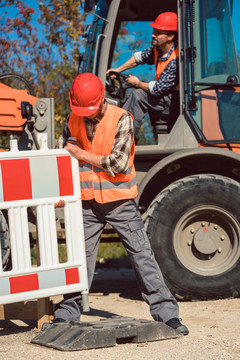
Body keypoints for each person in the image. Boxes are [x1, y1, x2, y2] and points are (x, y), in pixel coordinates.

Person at [53, 72, 188, 336]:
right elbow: (64, 155)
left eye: (89, 110)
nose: (85, 115)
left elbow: (118, 164)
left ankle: (167, 315)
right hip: (87, 203)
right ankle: (67, 314)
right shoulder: (73, 118)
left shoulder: (121, 118)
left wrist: (80, 153)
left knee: (142, 256)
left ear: (101, 100)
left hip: (119, 203)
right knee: (80, 260)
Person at [107, 12, 180, 138]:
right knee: (138, 94)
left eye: (158, 32)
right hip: (164, 95)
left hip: (176, 99)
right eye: (154, 31)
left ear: (170, 36)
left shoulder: (176, 60)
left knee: (139, 95)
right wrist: (118, 70)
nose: (153, 35)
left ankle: (124, 139)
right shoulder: (158, 49)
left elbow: (157, 89)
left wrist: (138, 84)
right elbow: (138, 58)